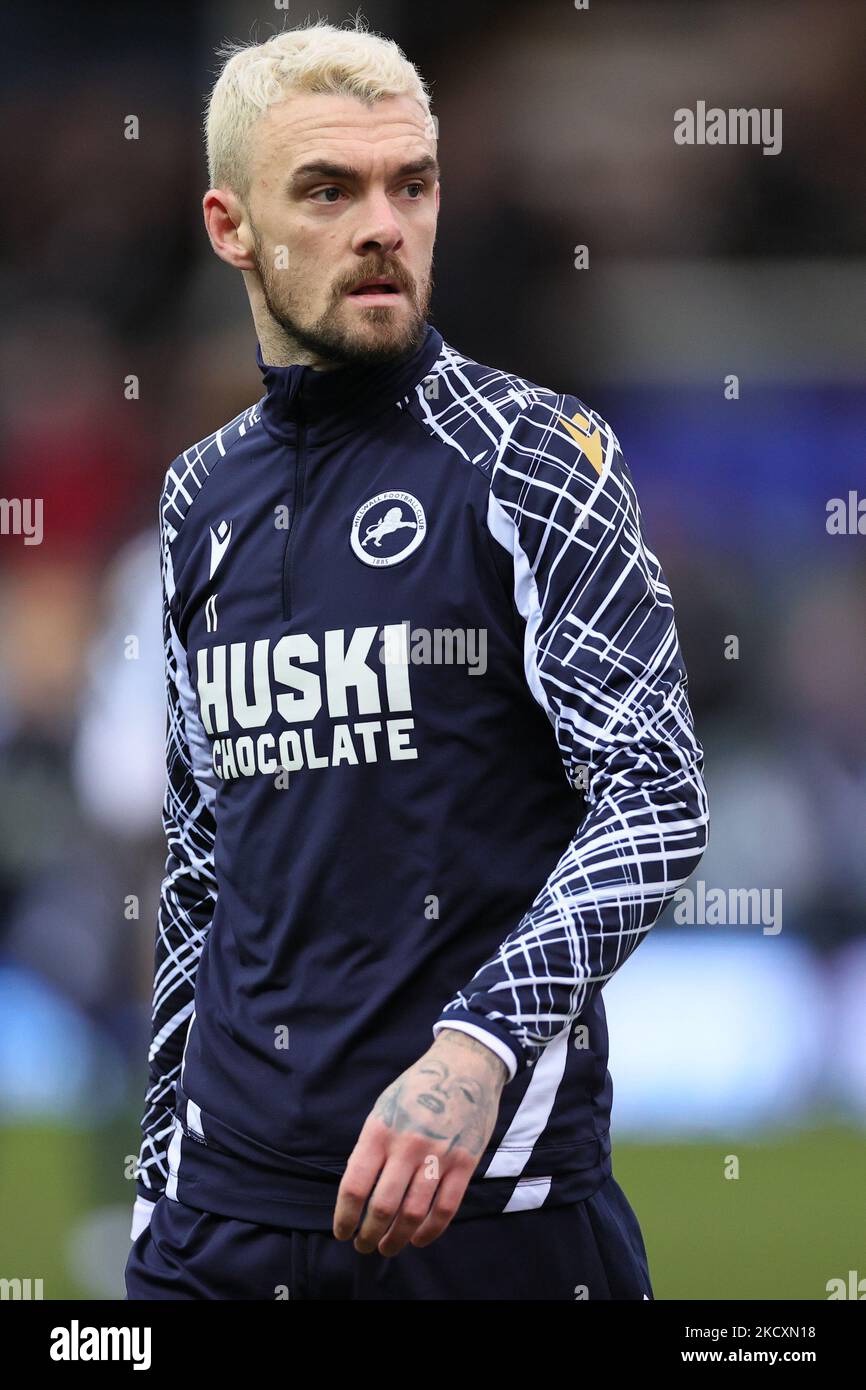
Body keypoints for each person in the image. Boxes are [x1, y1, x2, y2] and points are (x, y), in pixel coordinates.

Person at [125, 18, 709, 1301]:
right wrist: (161, 1160)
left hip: (488, 1209)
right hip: (218, 1222)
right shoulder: (195, 501)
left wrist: (476, 1050)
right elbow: (202, 861)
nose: (382, 223)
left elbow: (656, 799)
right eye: (328, 191)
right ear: (231, 228)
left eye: (411, 184)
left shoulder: (534, 459)